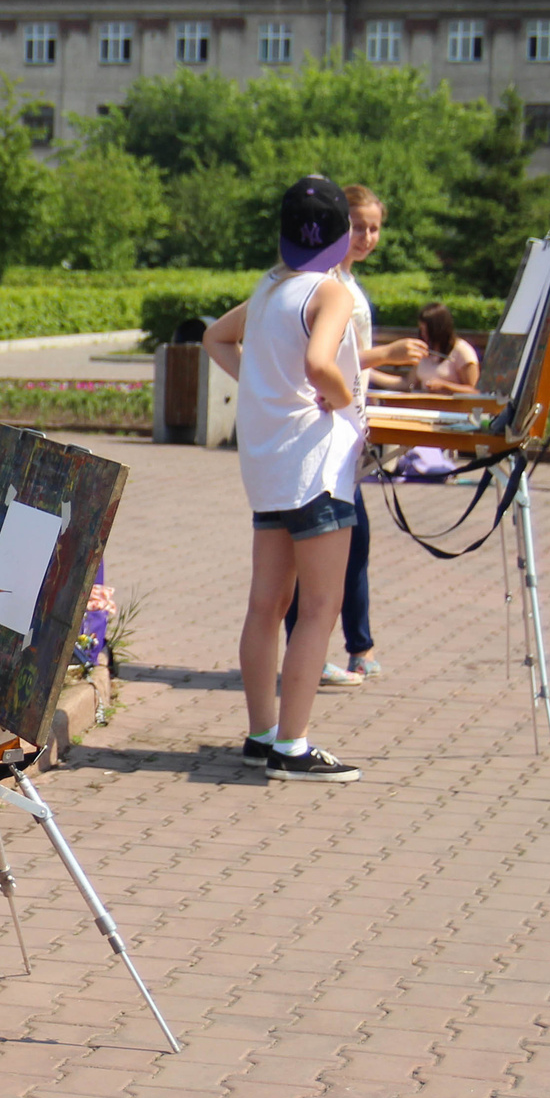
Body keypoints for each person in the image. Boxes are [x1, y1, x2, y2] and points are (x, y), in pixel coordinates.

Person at [201, 177, 370, 781]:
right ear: (342, 235)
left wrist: (262, 387)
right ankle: (293, 748)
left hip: (269, 467)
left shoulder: (271, 287)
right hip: (316, 467)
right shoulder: (332, 291)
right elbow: (321, 364)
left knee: (266, 605)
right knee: (320, 607)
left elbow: (214, 337)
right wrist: (346, 404)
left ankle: (260, 733)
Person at [281, 185, 423, 686]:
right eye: (357, 226)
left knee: (346, 542)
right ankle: (316, 653)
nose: (366, 236)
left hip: (345, 426)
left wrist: (396, 379)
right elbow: (326, 359)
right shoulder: (324, 283)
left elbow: (344, 361)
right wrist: (382, 361)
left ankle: (350, 646)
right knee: (319, 547)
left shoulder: (339, 281)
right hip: (327, 430)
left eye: (373, 228)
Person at [408, 304, 481, 395]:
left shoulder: (462, 351)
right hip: (426, 405)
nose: (423, 334)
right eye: (421, 330)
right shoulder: (426, 349)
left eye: (426, 331)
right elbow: (408, 383)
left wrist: (445, 385)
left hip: (452, 406)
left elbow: (474, 391)